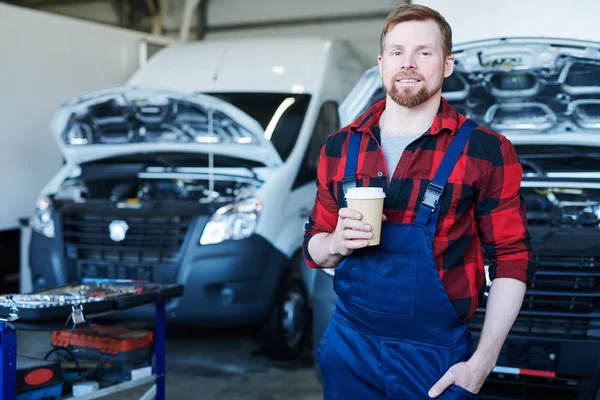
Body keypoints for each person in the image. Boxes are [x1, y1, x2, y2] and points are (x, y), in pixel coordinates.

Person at [303, 4, 536, 399]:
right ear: (381, 63)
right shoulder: (340, 147)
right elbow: (314, 247)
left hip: (434, 361)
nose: (407, 64)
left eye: (423, 52)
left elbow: (512, 260)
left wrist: (483, 361)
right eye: (397, 52)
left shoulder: (486, 150)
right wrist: (335, 243)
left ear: (447, 64)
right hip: (349, 349)